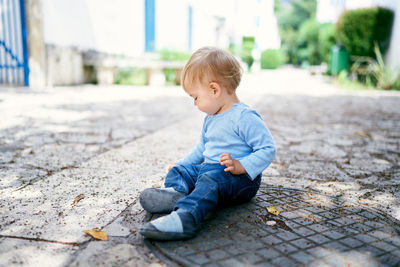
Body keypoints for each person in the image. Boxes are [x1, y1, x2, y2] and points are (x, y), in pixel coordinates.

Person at [139, 46, 276, 240]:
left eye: (195, 97)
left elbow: (268, 148)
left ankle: (185, 217)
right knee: (180, 171)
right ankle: (177, 193)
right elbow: (201, 149)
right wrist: (181, 164)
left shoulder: (244, 117)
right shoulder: (211, 118)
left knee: (210, 179)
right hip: (210, 171)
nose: (195, 103)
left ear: (214, 89)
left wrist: (241, 165)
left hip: (240, 180)